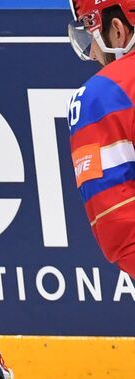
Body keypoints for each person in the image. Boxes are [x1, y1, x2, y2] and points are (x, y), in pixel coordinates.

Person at [67, 1, 135, 273]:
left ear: (117, 31)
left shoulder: (102, 93)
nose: (94, 54)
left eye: (90, 34)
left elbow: (116, 220)